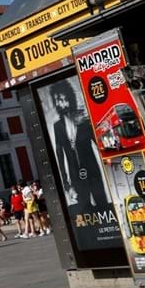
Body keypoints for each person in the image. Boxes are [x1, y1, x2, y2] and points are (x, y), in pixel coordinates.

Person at [49, 79, 109, 211]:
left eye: (62, 99)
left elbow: (99, 143)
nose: (60, 104)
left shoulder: (84, 120)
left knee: (102, 204)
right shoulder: (57, 126)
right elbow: (59, 154)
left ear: (70, 99)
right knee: (84, 207)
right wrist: (66, 183)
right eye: (56, 100)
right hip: (74, 174)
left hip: (92, 170)